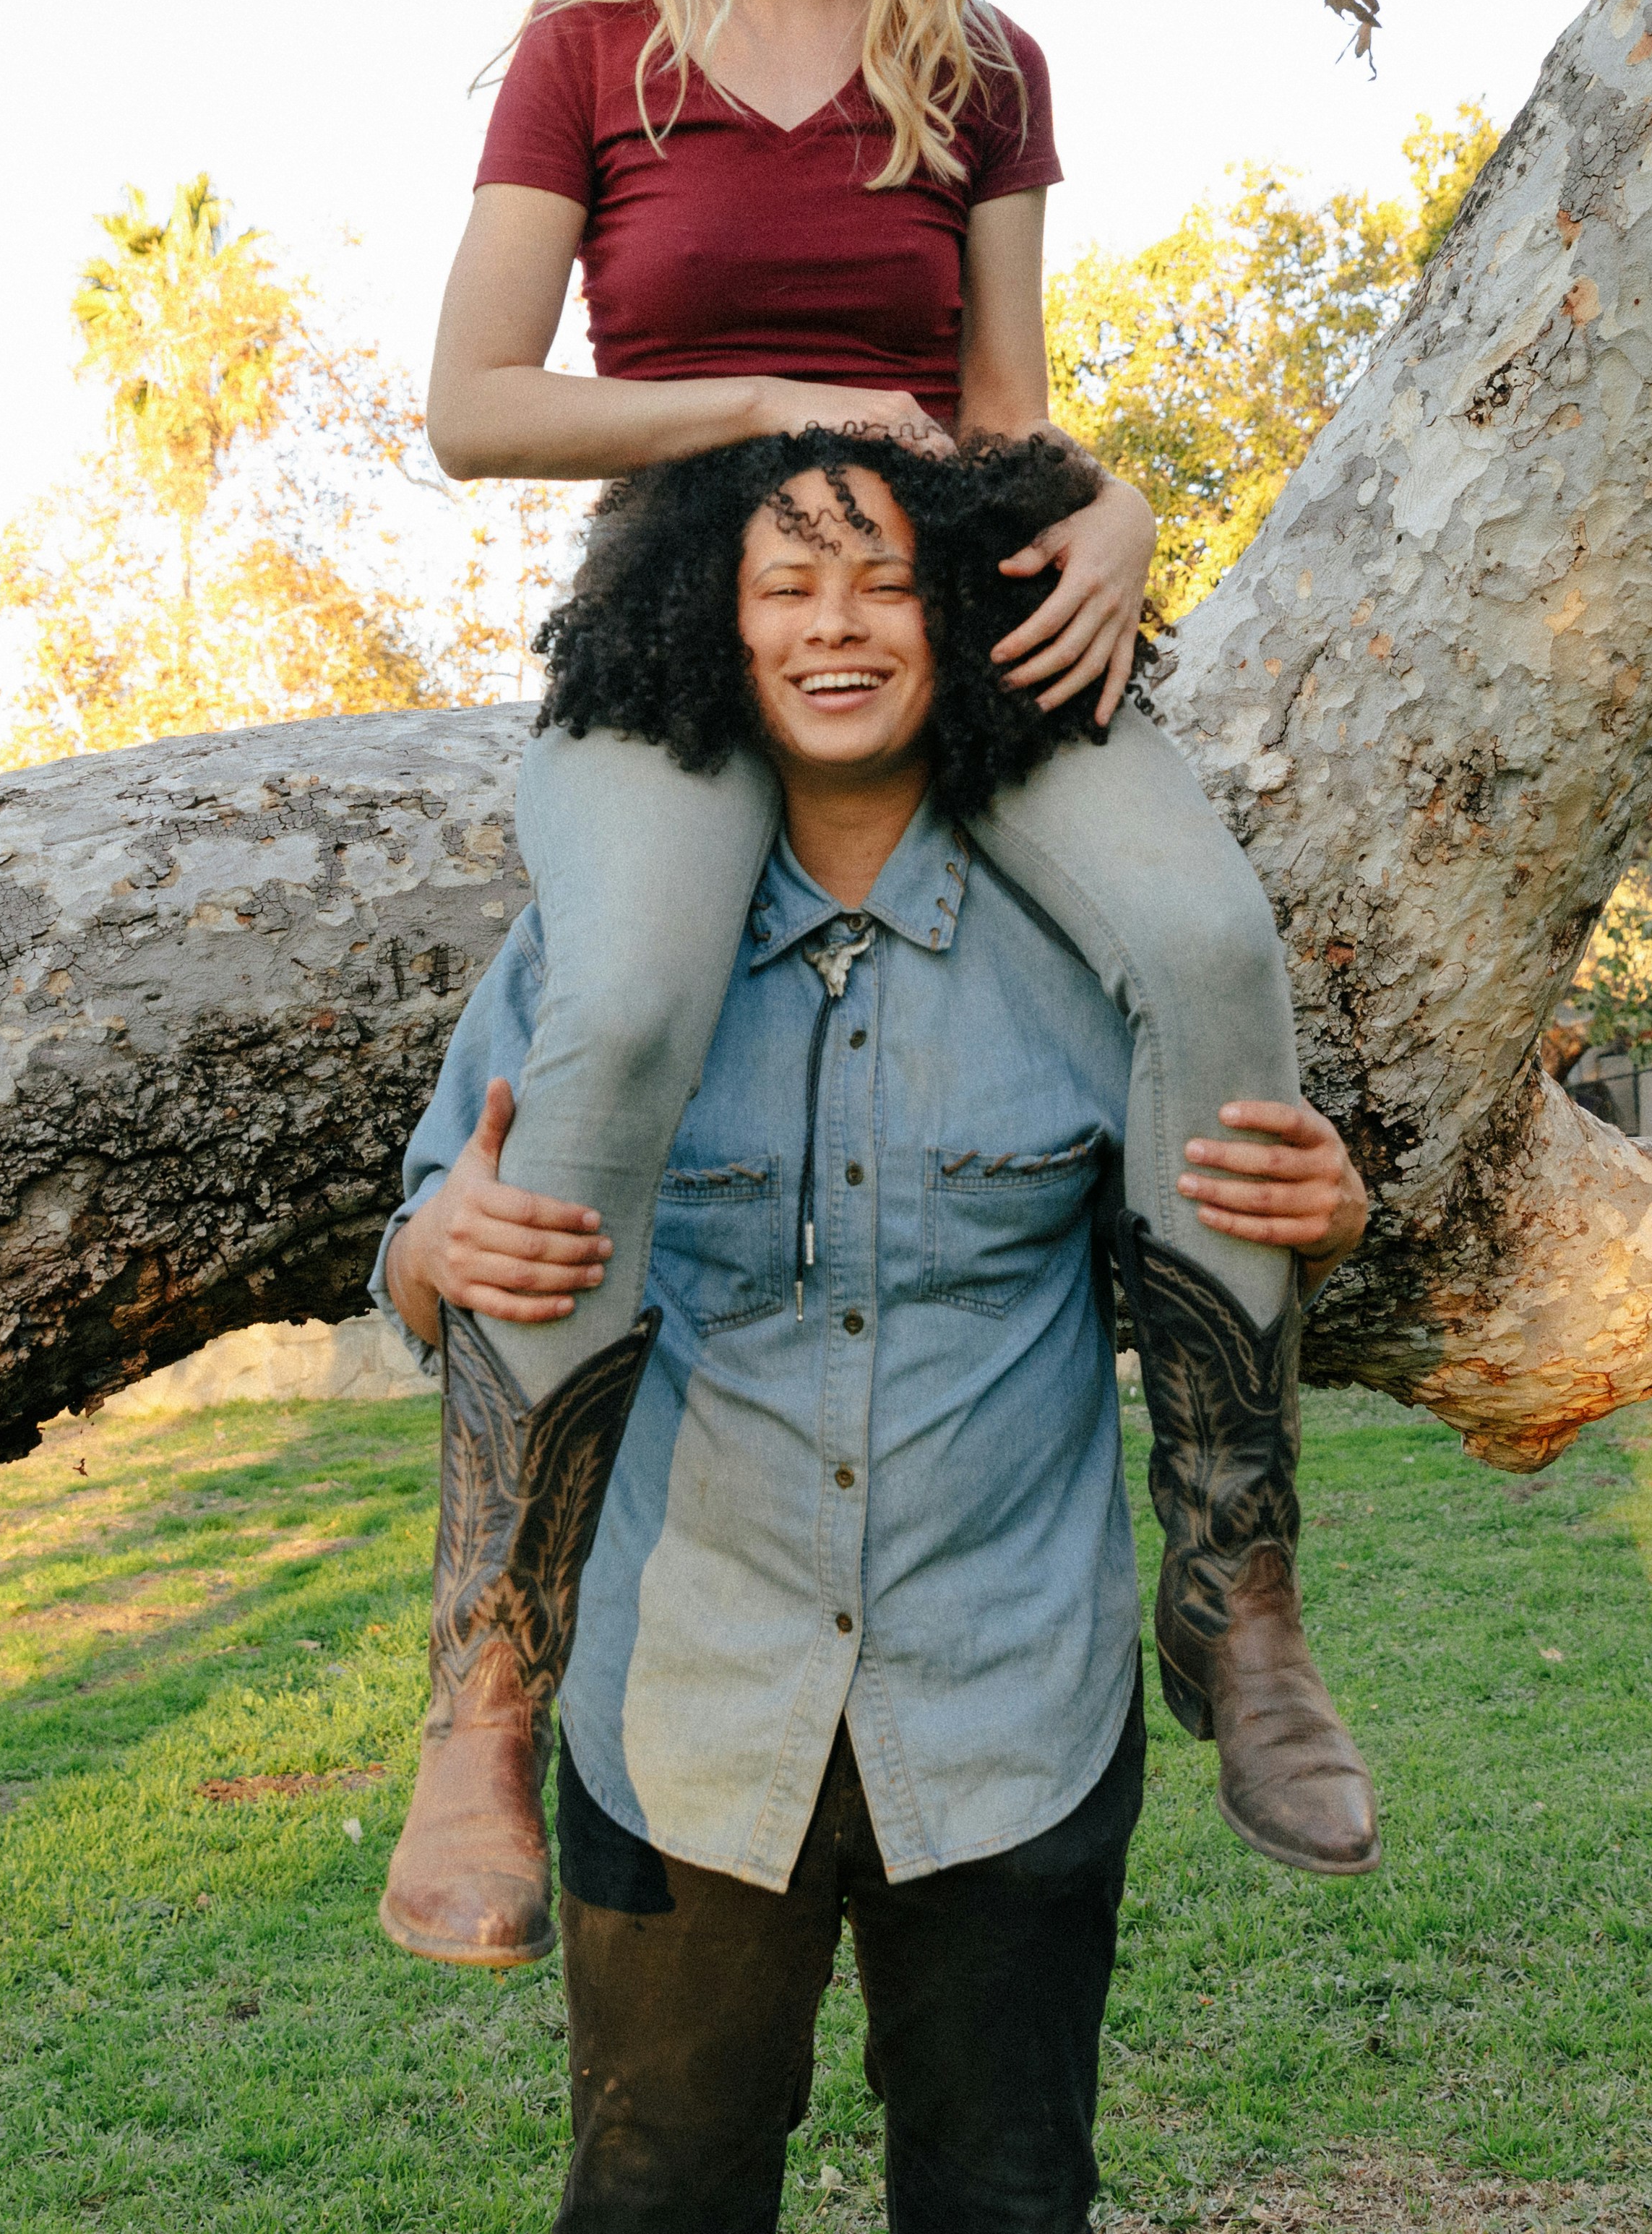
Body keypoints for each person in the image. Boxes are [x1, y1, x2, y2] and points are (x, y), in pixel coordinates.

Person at [392, 0, 1374, 1968]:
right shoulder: (592, 40)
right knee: (616, 1005)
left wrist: (1123, 508)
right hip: (686, 599)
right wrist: (756, 407)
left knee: (1206, 938)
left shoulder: (985, 56)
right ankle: (485, 1698)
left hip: (944, 580)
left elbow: (1013, 410)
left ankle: (1237, 1593)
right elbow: (473, 403)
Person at [375, 438, 1374, 2231]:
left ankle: (1248, 1609)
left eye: (885, 583)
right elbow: (428, 1249)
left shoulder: (1094, 947)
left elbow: (1199, 1227)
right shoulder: (593, 956)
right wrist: (434, 1237)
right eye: (785, 588)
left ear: (965, 618)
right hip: (681, 1710)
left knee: (1004, 2194)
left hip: (1006, 1699)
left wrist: (1332, 1216)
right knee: (658, 2194)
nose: (837, 627)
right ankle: (485, 1691)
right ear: (714, 628)